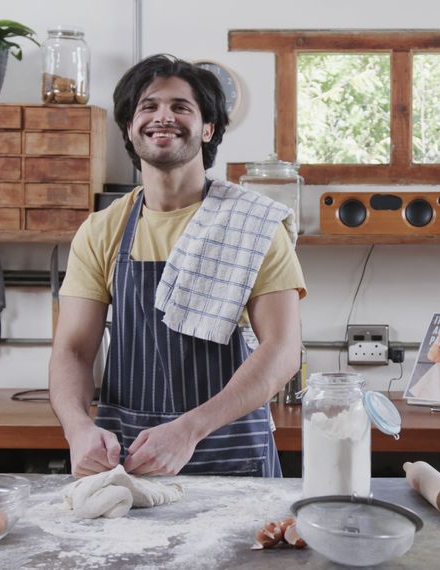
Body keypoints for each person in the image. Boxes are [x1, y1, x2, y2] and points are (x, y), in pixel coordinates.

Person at [49, 54, 305, 478]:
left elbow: (281, 350)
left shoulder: (255, 224)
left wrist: (189, 430)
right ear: (130, 129)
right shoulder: (101, 231)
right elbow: (73, 350)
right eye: (148, 106)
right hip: (130, 456)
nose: (162, 116)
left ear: (207, 129)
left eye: (180, 107)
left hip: (231, 449)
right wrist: (77, 428)